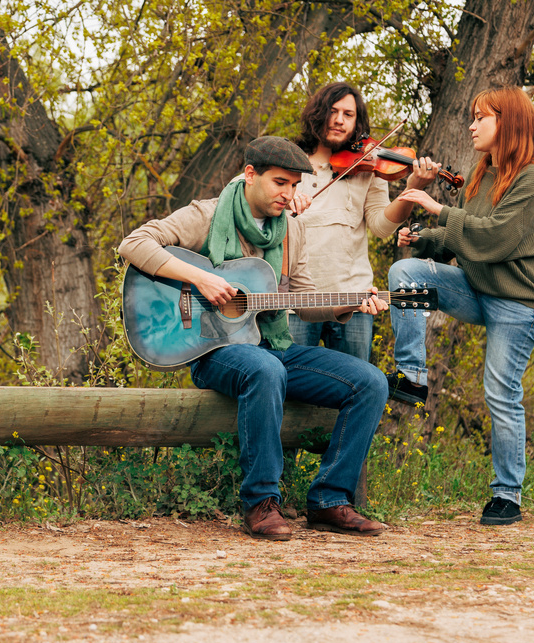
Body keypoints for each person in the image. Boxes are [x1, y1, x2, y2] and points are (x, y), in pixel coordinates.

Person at [119, 136, 390, 541]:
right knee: (264, 369)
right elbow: (133, 243)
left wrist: (348, 305)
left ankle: (330, 499)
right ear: (250, 174)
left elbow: (302, 300)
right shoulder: (207, 215)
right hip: (214, 350)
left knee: (370, 382)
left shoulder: (290, 232)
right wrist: (201, 278)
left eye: (295, 186)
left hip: (273, 346)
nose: (289, 194)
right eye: (280, 182)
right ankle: (261, 504)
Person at [386, 87, 534, 526]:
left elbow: (493, 238)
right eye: (472, 117)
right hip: (479, 291)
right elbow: (463, 236)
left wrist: (437, 210)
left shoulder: (531, 177)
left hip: (518, 304)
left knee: (500, 393)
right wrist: (422, 238)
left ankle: (507, 496)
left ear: (509, 123)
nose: (472, 125)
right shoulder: (482, 174)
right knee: (406, 274)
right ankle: (412, 375)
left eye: (481, 117)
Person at [289, 82, 441, 362]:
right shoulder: (290, 163)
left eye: (348, 114)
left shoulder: (367, 168)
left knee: (354, 389)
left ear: (357, 122)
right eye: (332, 111)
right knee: (291, 387)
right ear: (318, 114)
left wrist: (412, 189)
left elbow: (381, 226)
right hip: (296, 300)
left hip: (354, 298)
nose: (338, 120)